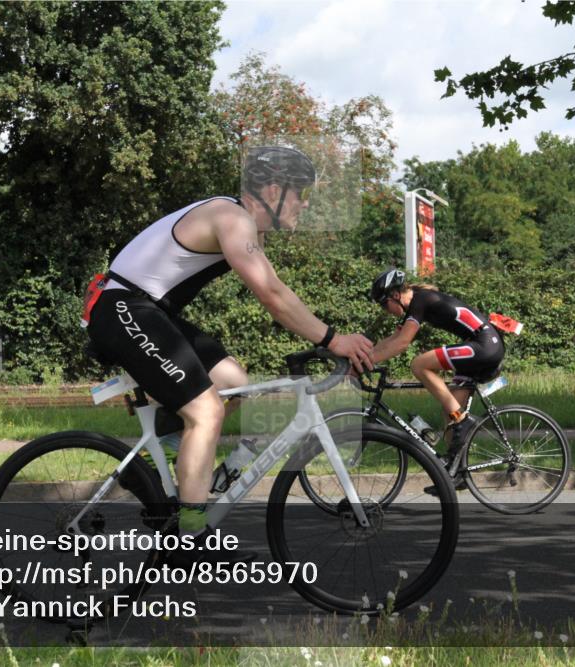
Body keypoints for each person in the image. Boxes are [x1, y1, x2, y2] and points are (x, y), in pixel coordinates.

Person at [84, 146, 374, 561]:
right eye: (301, 194)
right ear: (274, 190)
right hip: (123, 308)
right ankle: (189, 535)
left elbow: (277, 290)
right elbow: (272, 295)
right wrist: (332, 339)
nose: (304, 204)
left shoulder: (235, 220)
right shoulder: (232, 218)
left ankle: (165, 463)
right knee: (207, 412)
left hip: (141, 308)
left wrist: (324, 336)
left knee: (234, 383)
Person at [368, 269, 505, 457]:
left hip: (485, 345)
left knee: (419, 364)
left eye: (384, 305)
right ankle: (456, 472)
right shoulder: (416, 303)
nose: (386, 311)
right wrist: (365, 355)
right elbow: (395, 338)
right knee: (450, 414)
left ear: (395, 295)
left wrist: (369, 361)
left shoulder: (420, 301)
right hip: (480, 346)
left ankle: (464, 421)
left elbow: (402, 344)